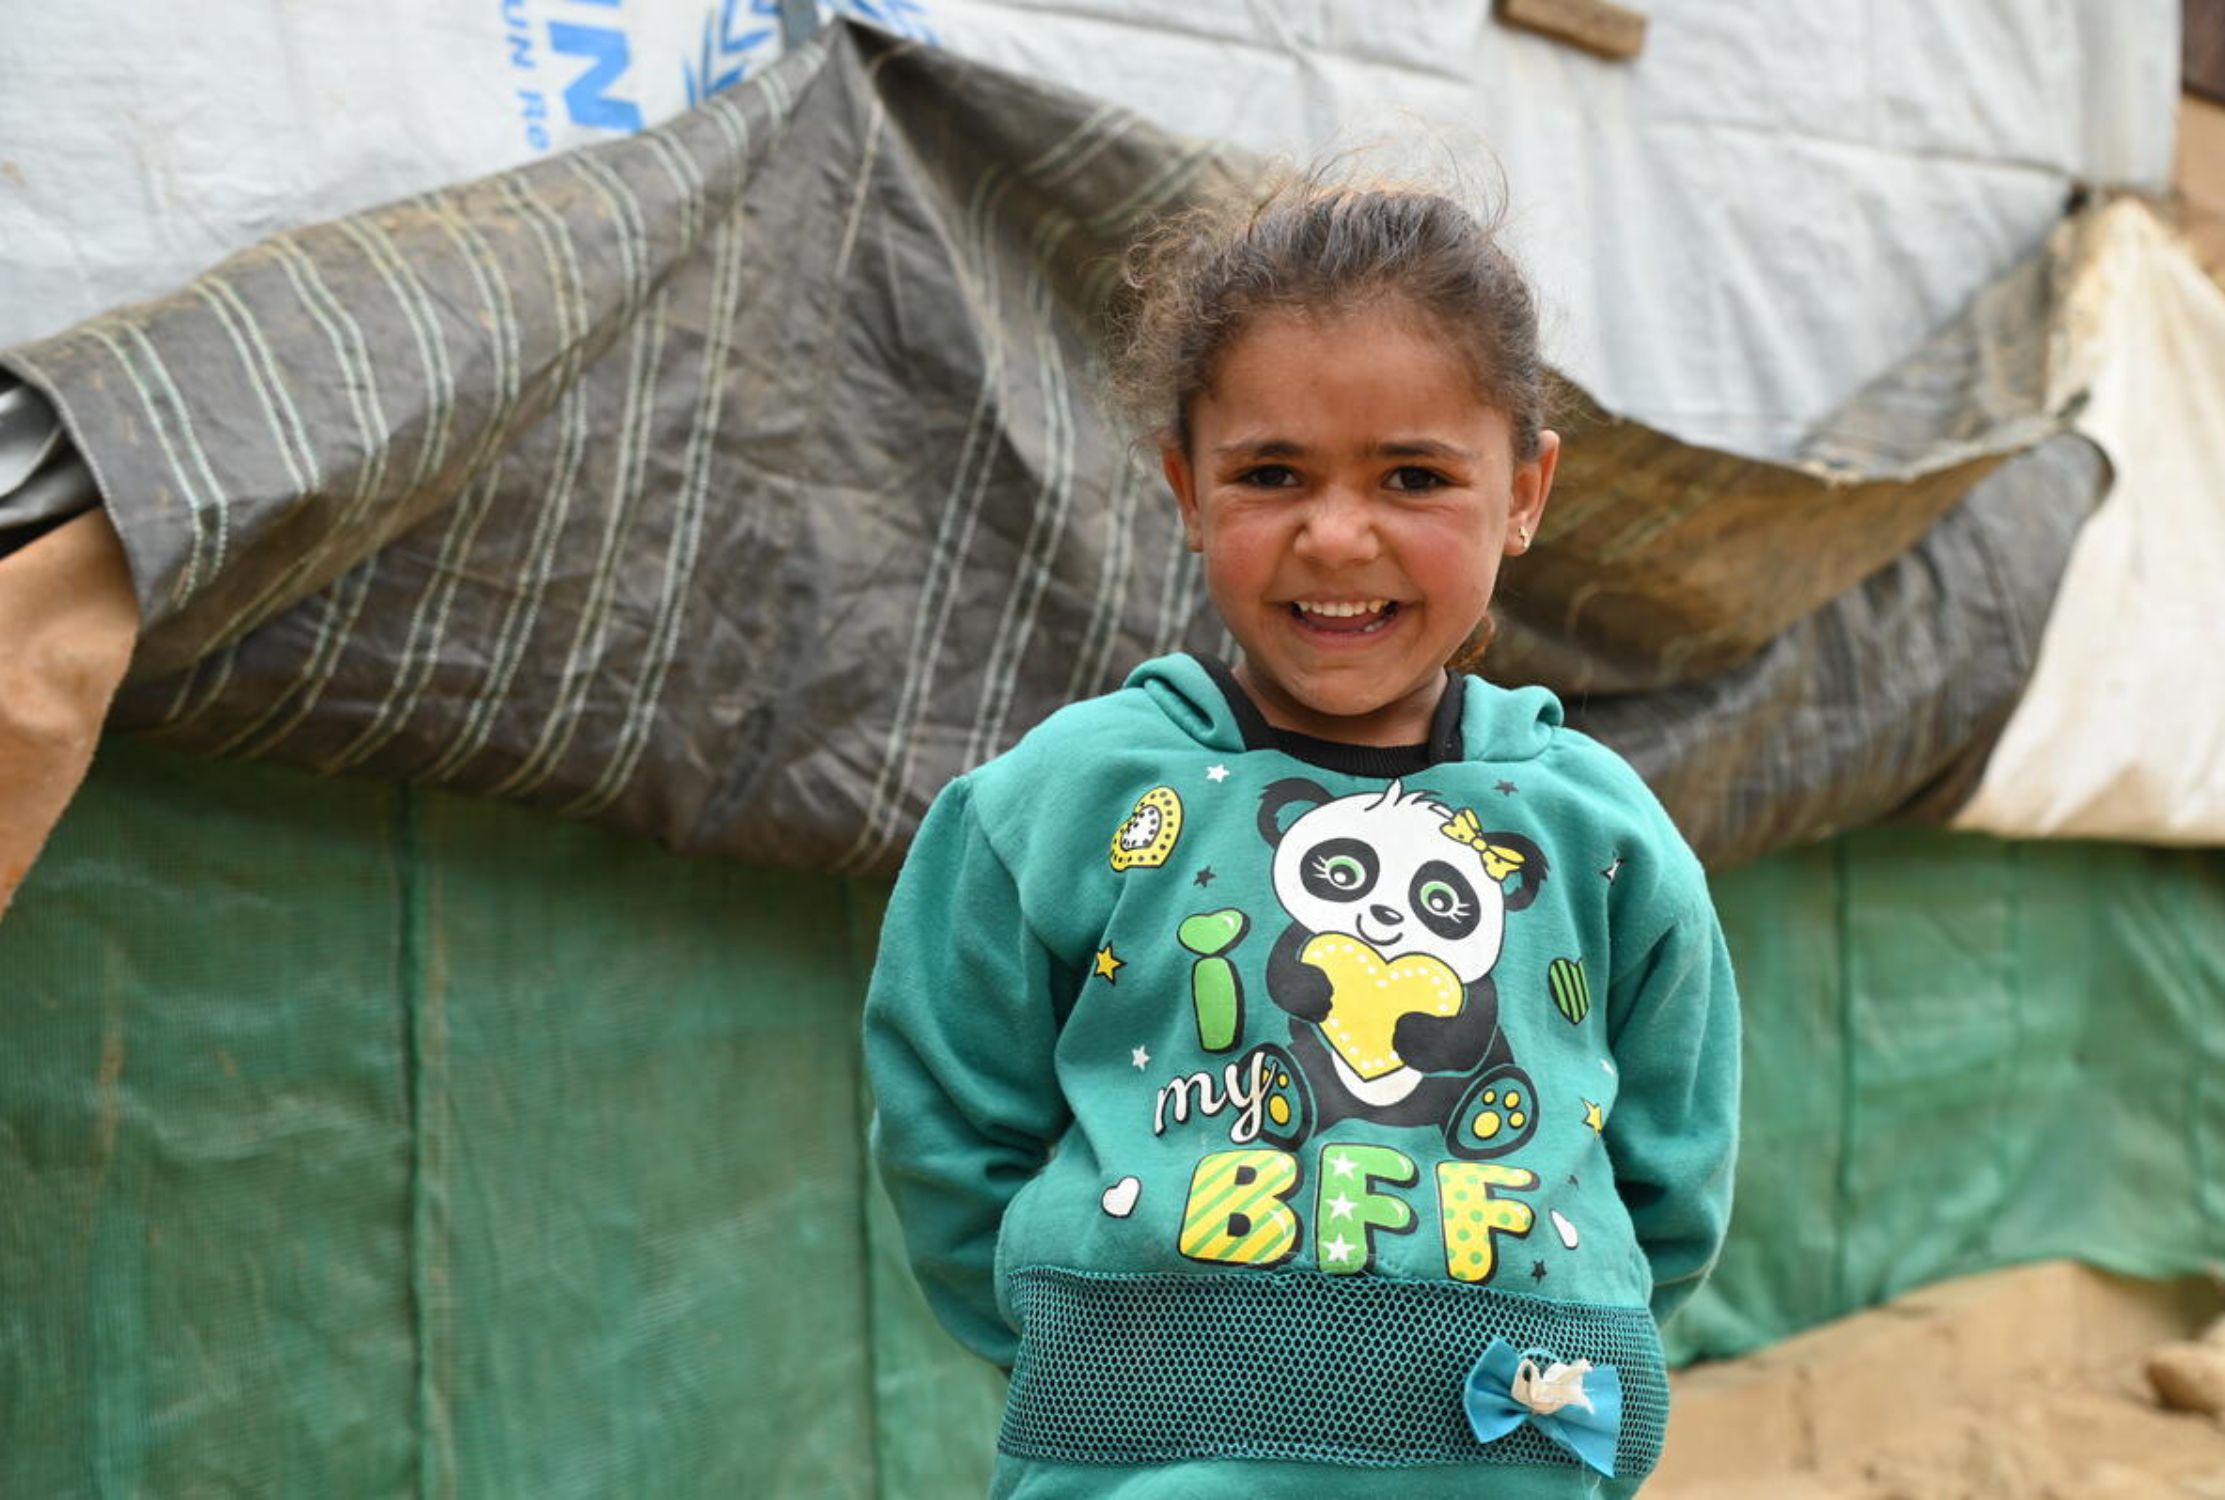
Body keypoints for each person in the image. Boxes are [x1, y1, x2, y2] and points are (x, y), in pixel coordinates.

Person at [864, 171, 1741, 1499]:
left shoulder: (1598, 833)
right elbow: (947, 1131)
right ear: (1185, 488)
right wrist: (1092, 1351)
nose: (1336, 535)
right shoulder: (1061, 808)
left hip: (1507, 1457)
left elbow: (1666, 1185)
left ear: (1524, 491)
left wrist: (1552, 1331)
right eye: (1270, 473)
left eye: (1413, 475)